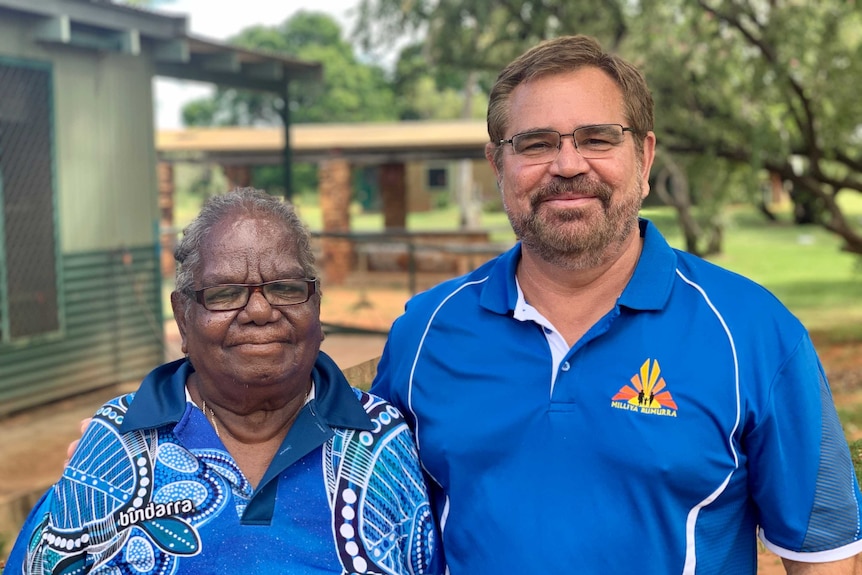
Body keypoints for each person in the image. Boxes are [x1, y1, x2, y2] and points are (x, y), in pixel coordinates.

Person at [369, 35, 862, 574]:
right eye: (534, 143)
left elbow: (825, 557)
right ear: (497, 165)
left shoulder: (755, 333)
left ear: (644, 157)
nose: (567, 164)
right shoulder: (423, 334)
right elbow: (383, 523)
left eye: (598, 138)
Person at [3, 188, 441, 574]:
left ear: (317, 308)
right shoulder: (115, 442)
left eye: (285, 287)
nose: (259, 311)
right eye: (226, 293)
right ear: (182, 318)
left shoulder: (384, 438)